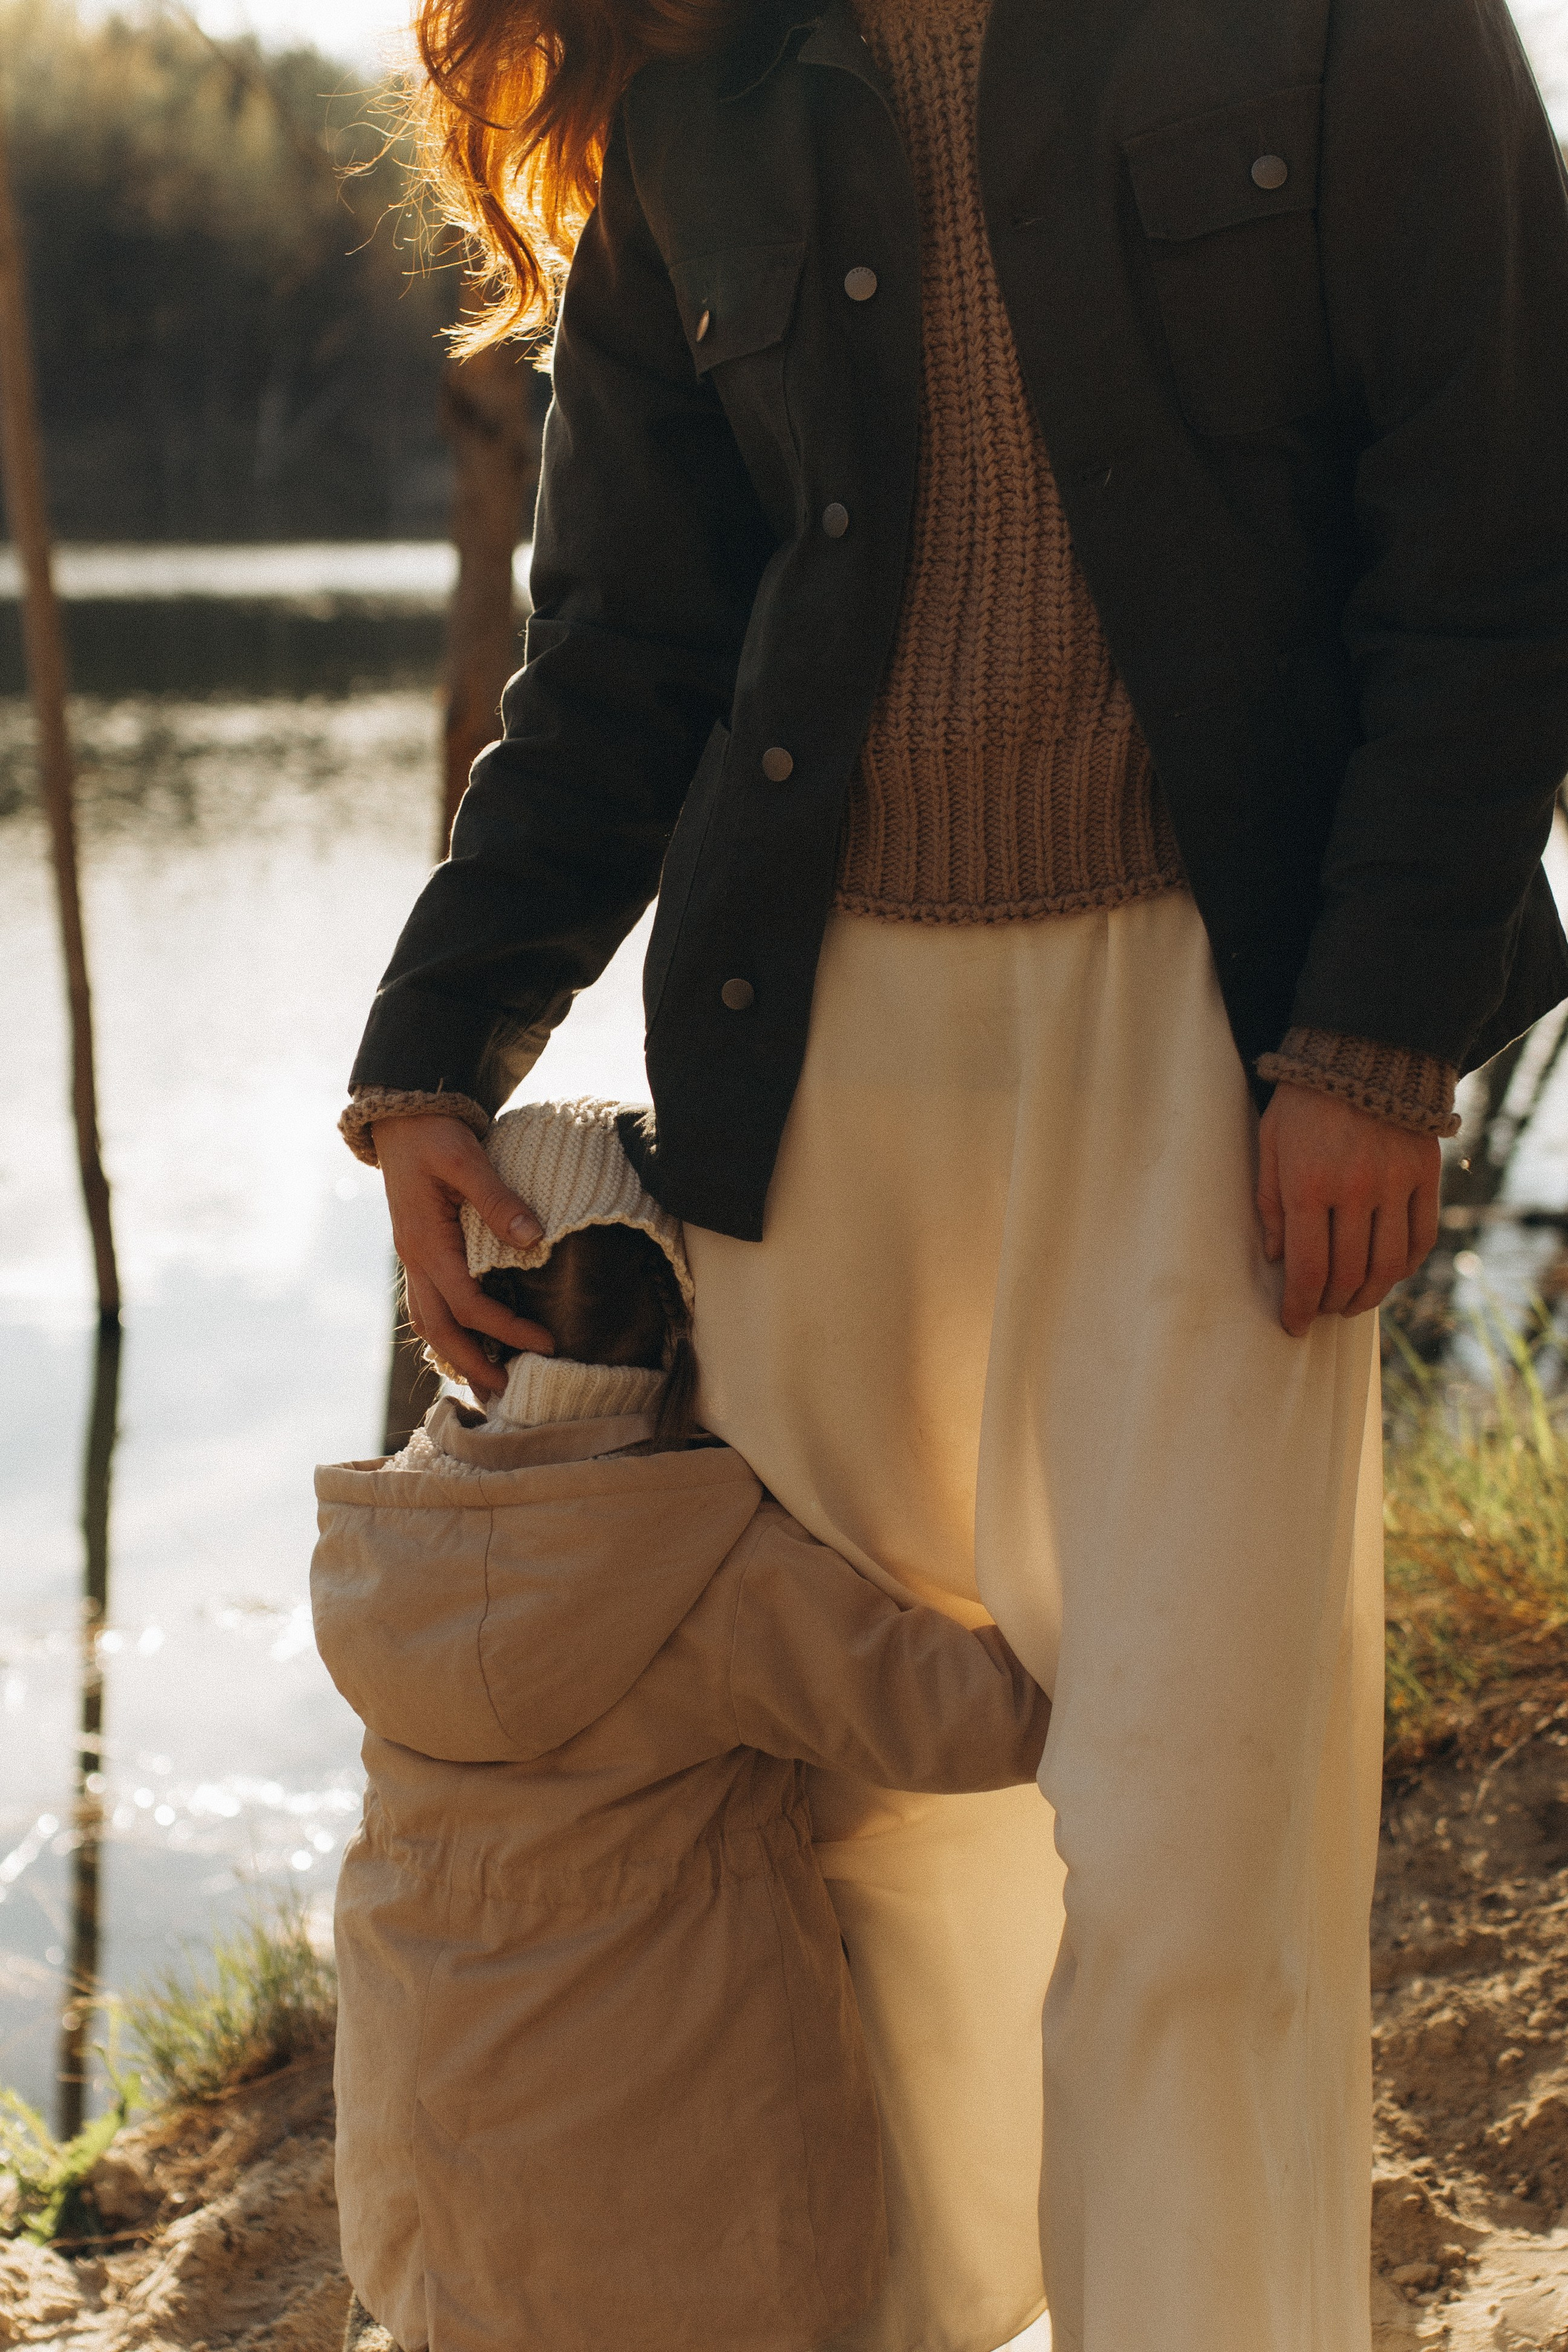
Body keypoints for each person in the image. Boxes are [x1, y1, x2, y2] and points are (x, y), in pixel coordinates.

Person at [337, 0, 1568, 2341]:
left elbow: (1504, 525)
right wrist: (430, 1054)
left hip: (1226, 1053)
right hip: (815, 1071)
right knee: (880, 1856)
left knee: (1204, 1868)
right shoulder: (709, 79)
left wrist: (1381, 1038)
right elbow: (619, 651)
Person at [314, 1098, 1051, 2352]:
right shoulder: (712, 1571)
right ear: (692, 1321)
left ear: (455, 1314)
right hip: (678, 2173)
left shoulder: (381, 1551)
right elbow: (977, 1726)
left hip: (433, 2149)